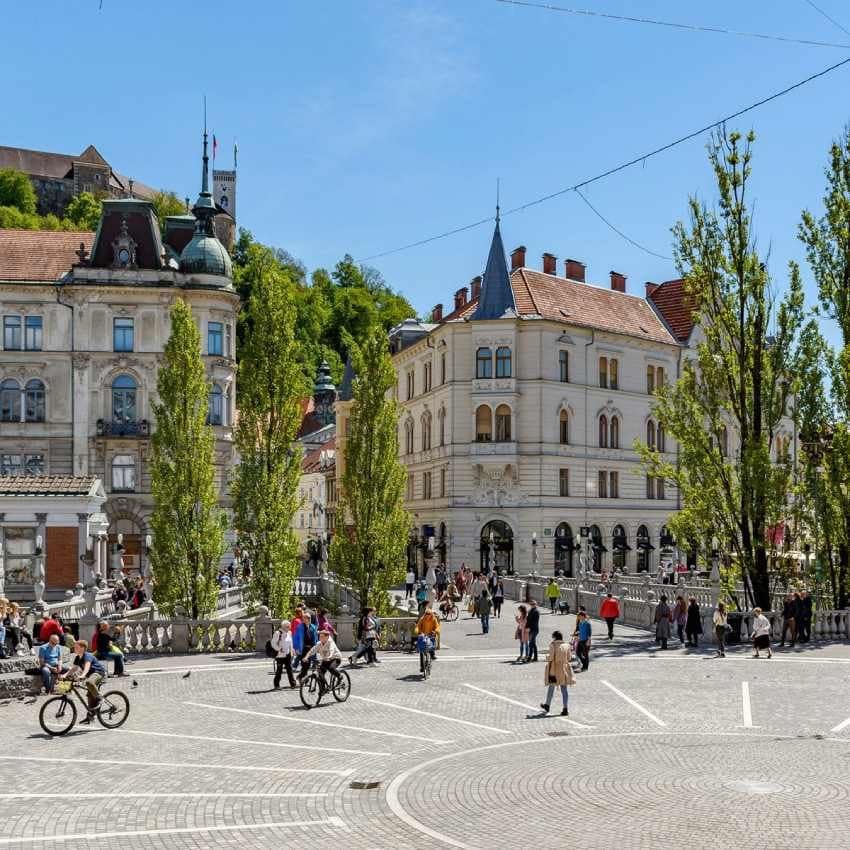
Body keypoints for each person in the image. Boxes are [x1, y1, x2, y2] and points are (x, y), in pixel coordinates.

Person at [63, 640, 107, 723]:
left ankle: (100, 698)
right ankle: (90, 715)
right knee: (90, 695)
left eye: (76, 647)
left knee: (89, 683)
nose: (74, 648)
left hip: (98, 673)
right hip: (90, 675)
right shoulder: (77, 657)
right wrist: (65, 675)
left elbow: (87, 667)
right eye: (74, 647)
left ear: (83, 648)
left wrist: (82, 675)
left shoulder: (88, 656)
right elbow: (74, 668)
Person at [540, 630, 576, 715]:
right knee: (564, 689)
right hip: (564, 669)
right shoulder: (567, 645)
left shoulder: (553, 645)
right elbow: (569, 657)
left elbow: (551, 657)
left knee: (551, 687)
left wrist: (547, 657)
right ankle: (565, 708)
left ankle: (547, 705)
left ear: (554, 637)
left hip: (554, 669)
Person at [271, 619, 296, 689]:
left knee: (290, 670)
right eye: (288, 626)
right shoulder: (277, 633)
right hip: (280, 655)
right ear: (283, 627)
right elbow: (273, 643)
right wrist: (279, 649)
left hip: (287, 654)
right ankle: (276, 685)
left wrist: (292, 650)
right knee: (279, 670)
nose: (289, 628)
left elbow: (290, 642)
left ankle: (293, 684)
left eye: (289, 626)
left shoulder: (289, 633)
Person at [416, 603, 440, 671]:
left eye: (429, 614)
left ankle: (432, 654)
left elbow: (437, 627)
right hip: (423, 635)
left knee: (431, 645)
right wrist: (417, 631)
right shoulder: (422, 619)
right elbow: (418, 626)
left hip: (431, 634)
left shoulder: (434, 619)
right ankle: (422, 667)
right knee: (421, 650)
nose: (427, 616)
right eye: (426, 614)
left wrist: (435, 631)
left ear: (431, 614)